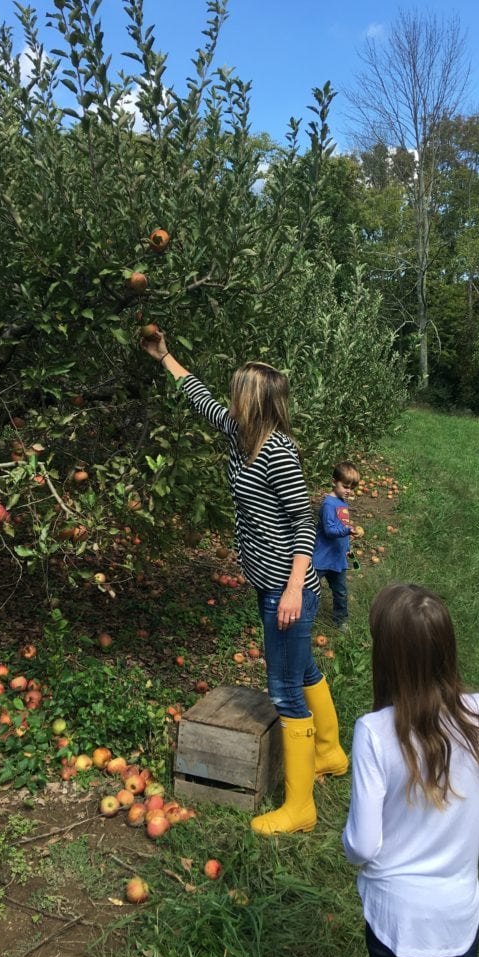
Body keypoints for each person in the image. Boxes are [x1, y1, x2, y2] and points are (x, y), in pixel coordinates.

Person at [141, 330, 348, 835]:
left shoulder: (278, 452)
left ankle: (300, 806)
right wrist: (164, 355)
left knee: (283, 689)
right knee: (302, 671)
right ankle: (330, 753)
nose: (230, 399)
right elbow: (200, 398)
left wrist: (295, 589)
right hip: (268, 579)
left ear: (253, 401)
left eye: (238, 392)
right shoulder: (239, 434)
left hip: (287, 583)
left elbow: (303, 521)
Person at [342, 583, 479, 957]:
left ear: (386, 658)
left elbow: (361, 845)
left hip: (394, 913)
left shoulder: (374, 732)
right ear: (447, 648)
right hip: (458, 911)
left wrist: (347, 845)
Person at [313, 460, 360, 629]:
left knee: (340, 592)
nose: (348, 491)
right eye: (345, 486)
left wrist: (346, 547)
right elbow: (329, 531)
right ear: (334, 482)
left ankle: (340, 621)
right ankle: (306, 619)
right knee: (310, 591)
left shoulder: (342, 502)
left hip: (337, 557)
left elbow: (340, 527)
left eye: (351, 488)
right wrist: (347, 530)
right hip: (322, 558)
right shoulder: (328, 504)